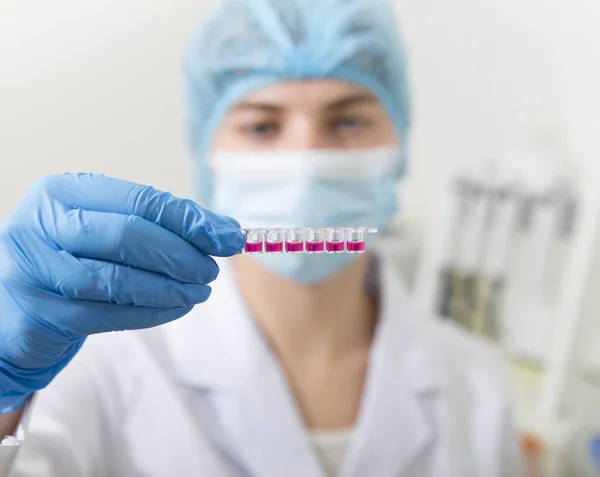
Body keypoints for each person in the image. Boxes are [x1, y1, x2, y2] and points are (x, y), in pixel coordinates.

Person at [0, 0, 524, 475]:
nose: (307, 157)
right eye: (260, 126)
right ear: (207, 147)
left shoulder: (477, 384)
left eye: (347, 120)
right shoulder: (94, 368)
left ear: (399, 141)